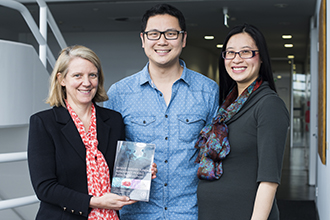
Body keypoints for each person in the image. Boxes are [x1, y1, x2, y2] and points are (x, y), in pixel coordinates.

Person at [104, 3, 219, 220]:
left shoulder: (208, 91)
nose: (162, 41)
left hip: (190, 212)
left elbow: (217, 154)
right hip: (136, 214)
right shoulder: (119, 93)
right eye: (154, 34)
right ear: (143, 39)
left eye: (171, 34)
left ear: (183, 39)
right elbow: (104, 153)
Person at [27, 45, 156, 220]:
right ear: (61, 79)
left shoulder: (114, 120)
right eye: (77, 75)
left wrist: (141, 172)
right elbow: (45, 188)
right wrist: (95, 202)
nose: (86, 83)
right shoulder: (43, 123)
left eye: (92, 75)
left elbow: (120, 173)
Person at [195, 23, 290, 220]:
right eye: (230, 53)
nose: (236, 59)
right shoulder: (227, 107)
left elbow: (269, 179)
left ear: (261, 57)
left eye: (246, 52)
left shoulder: (268, 105)